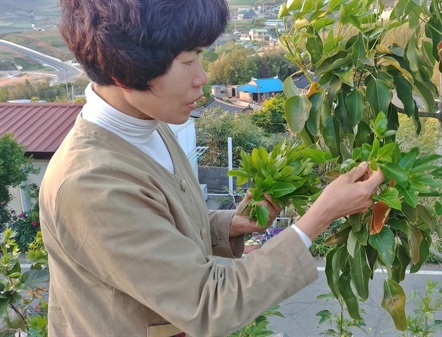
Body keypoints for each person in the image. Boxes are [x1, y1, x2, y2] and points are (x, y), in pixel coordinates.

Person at [38, 0, 384, 336]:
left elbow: (155, 230)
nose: (202, 77)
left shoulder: (148, 125)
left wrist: (226, 227)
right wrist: (319, 216)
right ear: (124, 71)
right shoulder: (90, 183)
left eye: (200, 56)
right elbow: (209, 303)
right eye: (188, 61)